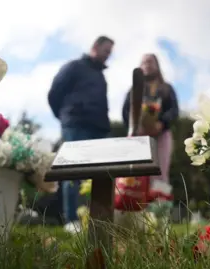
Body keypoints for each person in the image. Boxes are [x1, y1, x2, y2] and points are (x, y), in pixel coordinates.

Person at [48, 36, 114, 232]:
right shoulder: (73, 67)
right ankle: (71, 220)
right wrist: (67, 117)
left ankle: (97, 218)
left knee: (102, 174)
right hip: (75, 125)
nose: (108, 55)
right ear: (95, 46)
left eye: (110, 52)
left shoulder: (101, 76)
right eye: (106, 50)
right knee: (72, 172)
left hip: (99, 128)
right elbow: (54, 94)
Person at [121, 53, 179, 197]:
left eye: (150, 61)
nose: (147, 64)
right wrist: (135, 127)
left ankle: (159, 212)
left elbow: (174, 110)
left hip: (161, 136)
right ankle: (137, 210)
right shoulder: (133, 90)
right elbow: (126, 111)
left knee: (160, 171)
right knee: (138, 173)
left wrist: (161, 123)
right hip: (139, 138)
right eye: (144, 62)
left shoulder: (166, 88)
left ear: (157, 65)